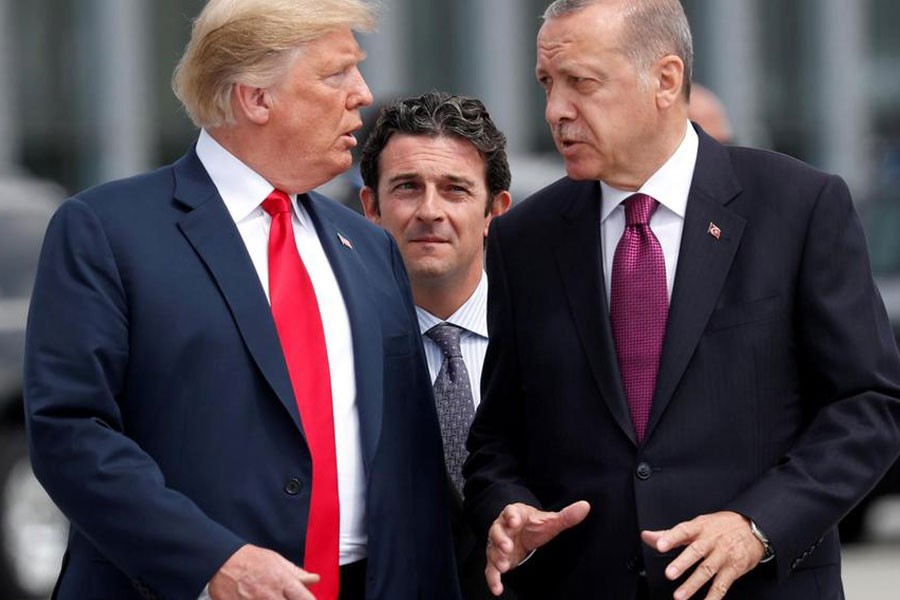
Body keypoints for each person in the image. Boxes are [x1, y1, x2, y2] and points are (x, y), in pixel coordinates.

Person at [463, 1, 900, 599]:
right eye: (547, 84)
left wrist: (758, 526)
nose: (556, 111)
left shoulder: (798, 206)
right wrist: (506, 506)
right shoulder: (524, 238)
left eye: (582, 83)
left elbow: (868, 405)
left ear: (665, 80)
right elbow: (498, 437)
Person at [24, 1, 460, 599]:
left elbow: (409, 455)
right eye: (337, 73)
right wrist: (211, 562)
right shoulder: (104, 229)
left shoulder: (367, 244)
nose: (362, 93)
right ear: (257, 97)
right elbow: (70, 432)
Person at [358, 91, 512, 600]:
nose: (430, 211)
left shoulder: (552, 329)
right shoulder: (337, 345)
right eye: (407, 187)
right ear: (370, 207)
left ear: (495, 210)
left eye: (455, 190)